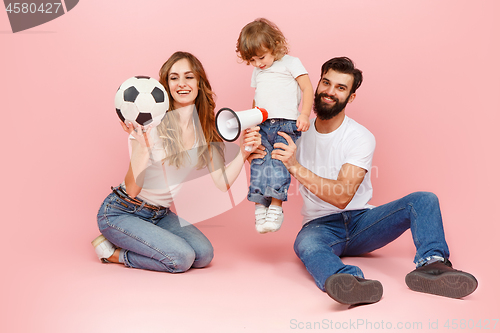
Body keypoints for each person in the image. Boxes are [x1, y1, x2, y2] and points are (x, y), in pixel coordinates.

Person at [265, 56, 478, 305]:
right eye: (326, 83)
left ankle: (432, 266)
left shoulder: (359, 137)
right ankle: (350, 283)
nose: (329, 92)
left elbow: (343, 196)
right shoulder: (296, 133)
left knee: (423, 200)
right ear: (318, 84)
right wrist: (253, 152)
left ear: (351, 97)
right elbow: (268, 169)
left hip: (362, 222)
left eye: (340, 88)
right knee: (306, 245)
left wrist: (295, 166)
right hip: (319, 226)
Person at [91, 51, 261, 272]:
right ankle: (114, 254)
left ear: (200, 83)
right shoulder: (149, 125)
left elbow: (222, 182)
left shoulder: (206, 129)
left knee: (204, 256)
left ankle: (142, 240)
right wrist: (142, 151)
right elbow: (132, 190)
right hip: (121, 211)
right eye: (174, 78)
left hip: (159, 214)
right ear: (166, 86)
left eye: (189, 77)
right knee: (181, 259)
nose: (182, 84)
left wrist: (244, 152)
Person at [236, 18, 314, 234]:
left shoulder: (291, 62)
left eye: (261, 57)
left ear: (275, 45)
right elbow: (257, 98)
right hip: (262, 124)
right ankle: (260, 206)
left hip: (286, 124)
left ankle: (276, 208)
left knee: (279, 163)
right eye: (252, 60)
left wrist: (305, 114)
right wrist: (252, 122)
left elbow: (307, 88)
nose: (258, 63)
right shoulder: (258, 71)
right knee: (260, 161)